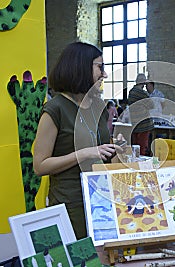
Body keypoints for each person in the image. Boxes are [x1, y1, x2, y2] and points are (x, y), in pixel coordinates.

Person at [33, 42, 125, 239]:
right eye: (100, 67)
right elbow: (40, 166)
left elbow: (101, 151)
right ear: (81, 67)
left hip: (101, 200)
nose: (105, 74)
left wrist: (114, 149)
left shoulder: (98, 106)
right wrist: (83, 153)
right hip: (71, 205)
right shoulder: (55, 109)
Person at [127, 73, 154, 155]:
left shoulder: (131, 91)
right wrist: (149, 91)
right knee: (143, 147)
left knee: (135, 146)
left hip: (135, 122)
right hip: (144, 124)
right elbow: (152, 105)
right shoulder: (142, 93)